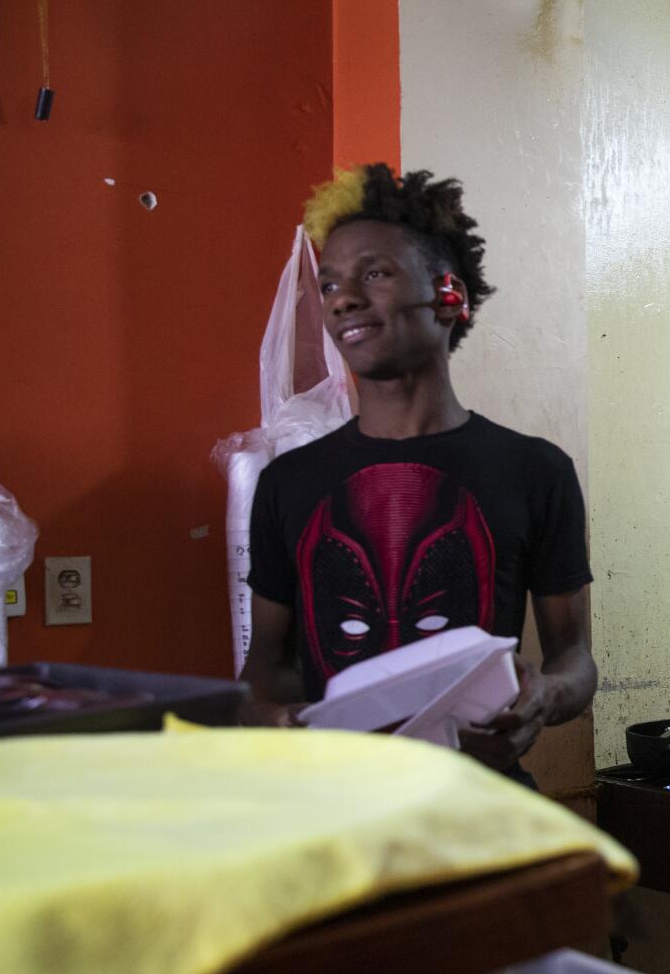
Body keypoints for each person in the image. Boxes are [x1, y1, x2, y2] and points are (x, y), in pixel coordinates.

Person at [239, 165, 597, 780]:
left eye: (373, 273)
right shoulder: (287, 484)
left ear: (447, 294)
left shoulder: (535, 471)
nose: (344, 297)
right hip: (336, 817)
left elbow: (574, 660)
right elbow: (265, 670)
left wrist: (545, 697)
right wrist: (274, 720)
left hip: (479, 807)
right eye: (328, 286)